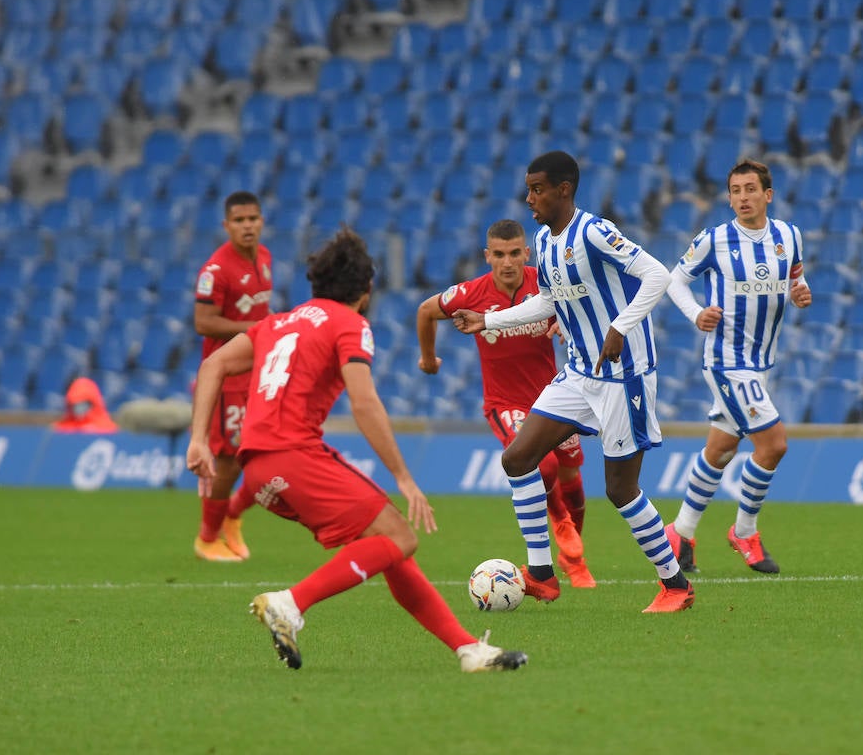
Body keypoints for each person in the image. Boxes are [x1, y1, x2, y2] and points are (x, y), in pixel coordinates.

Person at [185, 227, 526, 674]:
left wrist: (198, 439)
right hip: (295, 455)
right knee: (401, 537)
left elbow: (213, 364)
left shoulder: (277, 323)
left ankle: (468, 650)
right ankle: (291, 603)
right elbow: (363, 402)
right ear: (365, 292)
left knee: (387, 547)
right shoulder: (350, 324)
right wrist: (403, 477)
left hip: (258, 468)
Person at [452, 150, 694, 613]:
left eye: (537, 189)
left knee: (620, 490)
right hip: (580, 373)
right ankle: (542, 575)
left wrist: (620, 327)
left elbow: (656, 275)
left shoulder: (595, 232)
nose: (529, 198)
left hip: (624, 376)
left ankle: (676, 585)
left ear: (564, 190)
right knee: (518, 458)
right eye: (528, 189)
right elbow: (547, 301)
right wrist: (488, 320)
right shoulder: (543, 241)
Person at [417, 219, 595, 589]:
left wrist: (566, 325)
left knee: (571, 476)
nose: (508, 262)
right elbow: (425, 311)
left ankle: (572, 555)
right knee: (542, 464)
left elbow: (582, 308)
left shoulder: (545, 283)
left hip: (553, 398)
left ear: (527, 253)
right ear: (487, 256)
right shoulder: (470, 293)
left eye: (515, 253)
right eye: (499, 254)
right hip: (506, 403)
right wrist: (429, 358)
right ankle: (560, 522)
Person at [662, 158, 811, 575]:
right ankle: (744, 531)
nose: (743, 197)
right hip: (728, 361)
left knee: (721, 449)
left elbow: (796, 277)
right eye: (735, 191)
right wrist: (696, 313)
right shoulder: (714, 240)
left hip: (760, 362)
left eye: (750, 189)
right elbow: (674, 281)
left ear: (768, 195)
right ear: (729, 199)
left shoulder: (789, 235)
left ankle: (680, 533)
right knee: (773, 445)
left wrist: (800, 292)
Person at [191, 191, 272, 562]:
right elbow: (203, 322)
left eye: (252, 219)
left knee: (265, 453)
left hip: (258, 372)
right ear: (226, 225)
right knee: (228, 460)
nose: (247, 226)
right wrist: (255, 328)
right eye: (239, 220)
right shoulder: (215, 270)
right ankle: (208, 537)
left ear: (261, 221)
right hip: (228, 378)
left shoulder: (265, 257)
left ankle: (233, 516)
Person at [51, 377, 119, 433]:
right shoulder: (60, 429)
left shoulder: (109, 429)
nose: (79, 409)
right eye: (75, 405)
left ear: (93, 404)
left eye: (84, 404)